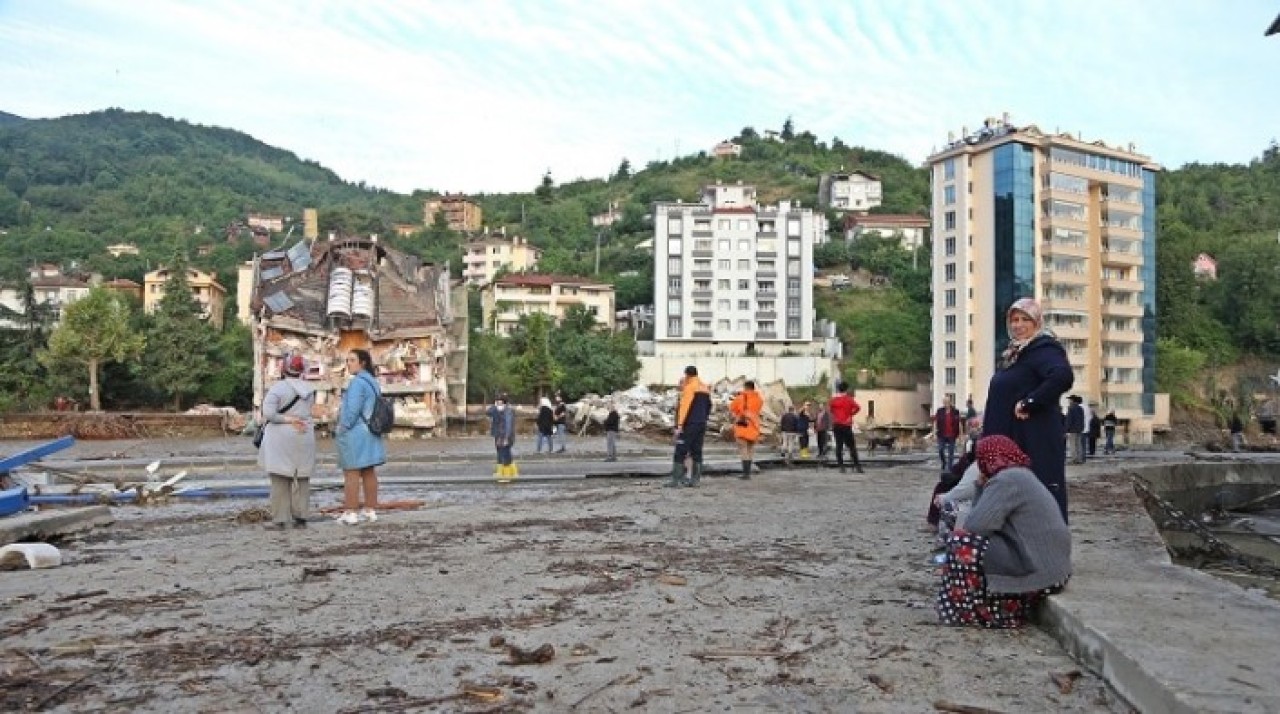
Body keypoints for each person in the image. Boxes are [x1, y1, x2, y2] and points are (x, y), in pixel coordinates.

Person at [936, 435, 1072, 629]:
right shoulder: (1020, 474)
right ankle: (978, 607)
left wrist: (979, 486)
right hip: (1052, 569)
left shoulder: (1006, 480)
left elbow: (976, 526)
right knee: (965, 540)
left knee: (960, 542)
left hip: (1038, 570)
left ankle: (972, 612)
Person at [982, 297, 1074, 522]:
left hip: (1033, 441)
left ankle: (1048, 546)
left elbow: (1062, 376)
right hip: (1011, 442)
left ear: (1037, 323)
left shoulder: (1043, 348)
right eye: (1014, 320)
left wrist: (1030, 402)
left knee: (1040, 493)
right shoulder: (1016, 354)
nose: (1018, 325)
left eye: (1025, 319)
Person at [258, 353, 316, 530]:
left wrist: (287, 420)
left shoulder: (277, 389)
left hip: (281, 436)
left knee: (280, 478)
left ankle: (281, 518)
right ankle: (301, 516)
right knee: (302, 477)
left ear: (284, 369)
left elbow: (269, 414)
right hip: (304, 433)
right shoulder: (310, 390)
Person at [335, 349, 386, 525]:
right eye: (347, 360)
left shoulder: (357, 383)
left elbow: (352, 410)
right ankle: (370, 510)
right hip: (371, 431)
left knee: (351, 472)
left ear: (362, 362)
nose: (348, 363)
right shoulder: (373, 381)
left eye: (351, 360)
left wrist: (343, 427)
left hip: (356, 432)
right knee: (369, 471)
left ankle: (350, 512)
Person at [665, 365, 711, 488]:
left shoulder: (690, 388)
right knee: (697, 452)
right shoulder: (705, 388)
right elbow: (708, 407)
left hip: (689, 424)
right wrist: (703, 419)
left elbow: (684, 407)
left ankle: (676, 481)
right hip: (701, 424)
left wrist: (679, 425)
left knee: (680, 451)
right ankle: (695, 481)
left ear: (687, 374)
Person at [728, 380, 763, 480]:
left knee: (743, 450)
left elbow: (732, 408)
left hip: (742, 427)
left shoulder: (740, 398)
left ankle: (745, 474)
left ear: (746, 387)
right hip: (754, 427)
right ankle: (748, 473)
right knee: (750, 450)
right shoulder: (759, 399)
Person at [828, 381, 864, 474]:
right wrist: (850, 414)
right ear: (846, 389)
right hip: (846, 425)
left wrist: (837, 416)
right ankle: (857, 466)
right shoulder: (849, 399)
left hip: (837, 425)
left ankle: (841, 467)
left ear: (838, 390)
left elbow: (831, 410)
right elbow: (858, 407)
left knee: (839, 446)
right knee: (852, 446)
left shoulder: (833, 400)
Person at [488, 393, 517, 481]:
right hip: (499, 435)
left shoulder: (508, 411)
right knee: (500, 454)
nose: (499, 405)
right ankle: (503, 472)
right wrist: (494, 405)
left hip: (505, 436)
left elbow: (509, 426)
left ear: (505, 403)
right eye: (497, 402)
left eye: (500, 403)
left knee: (505, 454)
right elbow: (488, 412)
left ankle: (507, 475)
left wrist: (506, 438)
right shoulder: (497, 410)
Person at [933, 395, 963, 471]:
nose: (946, 403)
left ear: (950, 402)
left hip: (952, 435)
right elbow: (935, 422)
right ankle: (944, 462)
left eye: (947, 401)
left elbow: (959, 423)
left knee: (951, 452)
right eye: (944, 402)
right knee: (940, 449)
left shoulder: (955, 411)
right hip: (941, 434)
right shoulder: (940, 411)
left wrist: (961, 435)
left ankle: (950, 468)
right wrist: (934, 433)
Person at [1065, 395, 1086, 465]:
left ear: (1072, 400)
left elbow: (1069, 420)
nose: (1069, 401)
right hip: (1079, 429)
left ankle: (1074, 459)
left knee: (1073, 445)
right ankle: (1080, 459)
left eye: (1070, 400)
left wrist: (1066, 429)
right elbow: (1082, 419)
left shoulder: (1071, 408)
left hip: (1072, 429)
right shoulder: (1080, 408)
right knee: (1079, 444)